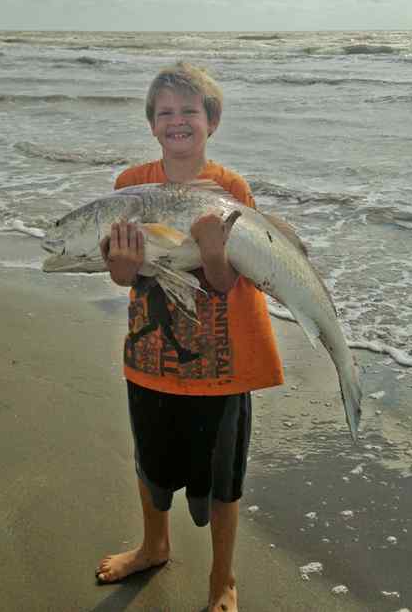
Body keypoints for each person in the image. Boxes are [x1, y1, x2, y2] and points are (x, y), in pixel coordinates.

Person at [95, 62, 283, 612]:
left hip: (221, 369)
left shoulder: (230, 188)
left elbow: (225, 283)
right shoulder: (130, 186)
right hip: (150, 358)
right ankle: (154, 546)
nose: (177, 121)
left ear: (211, 121)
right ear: (152, 125)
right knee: (150, 464)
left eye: (189, 112)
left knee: (223, 480)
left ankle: (222, 579)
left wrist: (212, 248)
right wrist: (123, 264)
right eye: (165, 113)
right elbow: (123, 275)